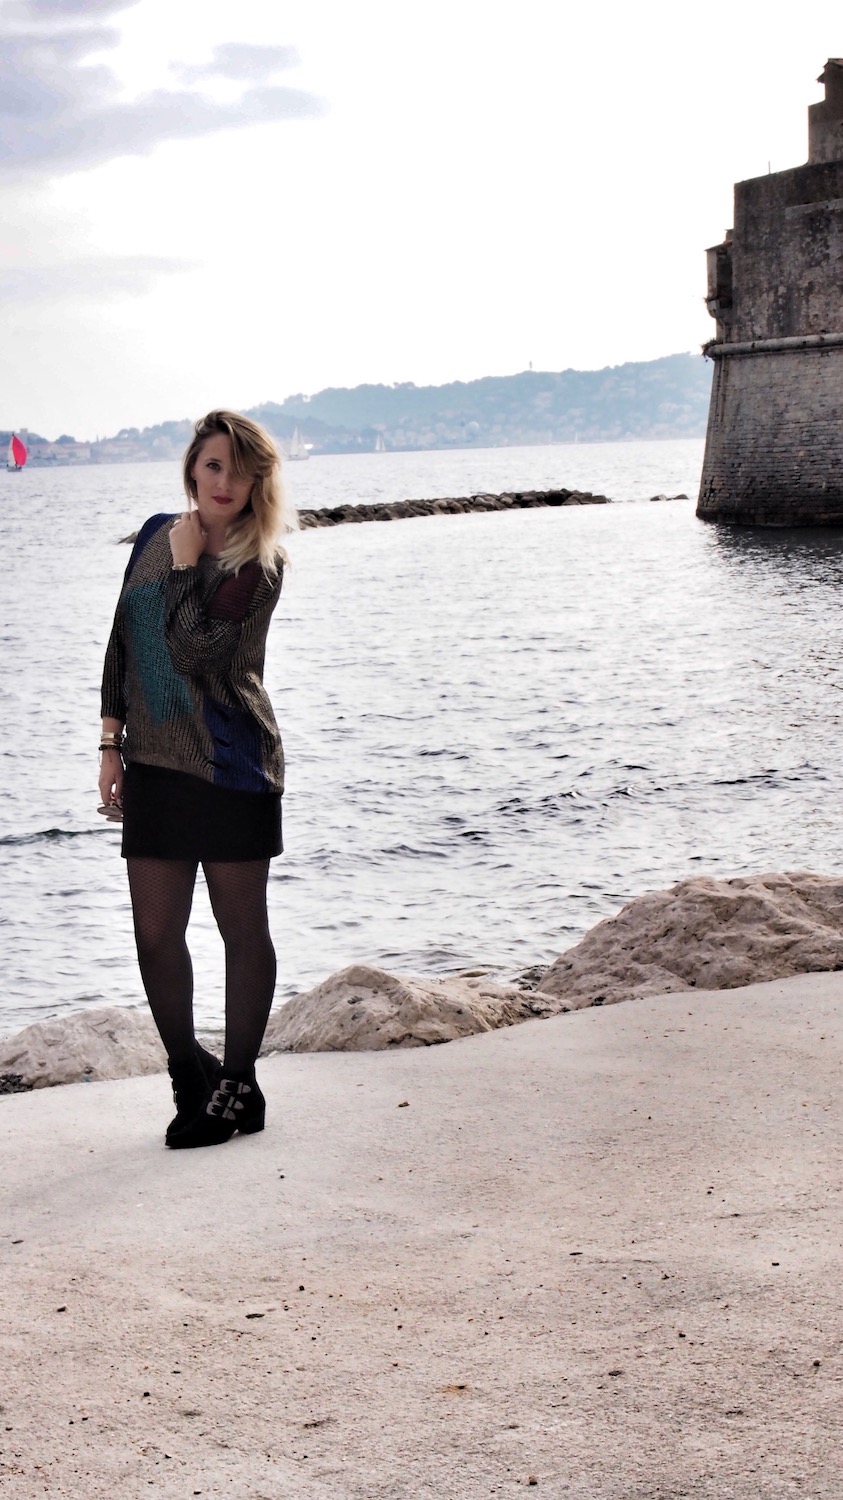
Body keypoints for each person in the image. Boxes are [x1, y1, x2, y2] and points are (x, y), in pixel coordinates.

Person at [98, 410, 295, 1149]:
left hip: (233, 765)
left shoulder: (259, 564)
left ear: (258, 482)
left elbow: (194, 653)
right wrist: (110, 744)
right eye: (214, 465)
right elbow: (124, 643)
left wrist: (186, 570)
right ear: (192, 468)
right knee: (155, 934)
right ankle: (189, 1074)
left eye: (240, 471)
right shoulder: (156, 535)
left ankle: (239, 1085)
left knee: (242, 932)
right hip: (155, 762)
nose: (225, 482)